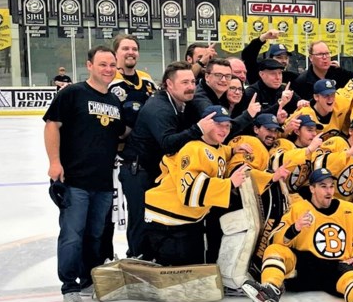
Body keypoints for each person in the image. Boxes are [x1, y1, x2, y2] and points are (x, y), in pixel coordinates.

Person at [242, 167, 353, 302]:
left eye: (331, 186)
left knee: (352, 276)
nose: (329, 191)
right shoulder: (298, 209)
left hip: (336, 268)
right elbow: (276, 238)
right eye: (323, 186)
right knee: (274, 250)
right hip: (305, 267)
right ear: (312, 188)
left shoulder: (349, 210)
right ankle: (269, 291)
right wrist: (295, 228)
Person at [43, 45, 125, 302]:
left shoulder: (114, 101)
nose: (108, 70)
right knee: (72, 235)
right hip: (74, 180)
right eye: (102, 64)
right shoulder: (73, 94)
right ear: (89, 65)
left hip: (102, 183)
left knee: (95, 236)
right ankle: (70, 286)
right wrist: (54, 162)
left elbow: (116, 137)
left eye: (112, 65)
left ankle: (88, 278)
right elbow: (52, 125)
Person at [120, 62, 218, 259]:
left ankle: (151, 262)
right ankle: (137, 264)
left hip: (152, 171)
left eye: (192, 81)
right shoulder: (160, 108)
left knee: (154, 221)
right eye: (184, 82)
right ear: (169, 85)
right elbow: (168, 143)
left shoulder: (179, 103)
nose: (190, 86)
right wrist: (198, 129)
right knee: (141, 221)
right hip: (137, 171)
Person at [142, 105, 252, 266]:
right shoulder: (192, 149)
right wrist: (229, 184)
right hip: (168, 220)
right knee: (178, 275)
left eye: (227, 126)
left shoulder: (217, 147)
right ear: (205, 125)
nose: (224, 130)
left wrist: (233, 150)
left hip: (188, 220)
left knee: (196, 266)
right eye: (218, 125)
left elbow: (217, 155)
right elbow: (189, 191)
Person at [105, 33, 158, 259]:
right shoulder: (110, 81)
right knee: (129, 212)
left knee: (151, 211)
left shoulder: (147, 80)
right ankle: (134, 254)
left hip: (150, 157)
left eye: (134, 49)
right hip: (121, 160)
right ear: (116, 53)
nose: (130, 52)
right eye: (125, 48)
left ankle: (149, 253)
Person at [292, 39, 353, 103]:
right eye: (320, 54)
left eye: (327, 53)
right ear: (311, 58)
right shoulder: (302, 81)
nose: (324, 57)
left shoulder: (337, 72)